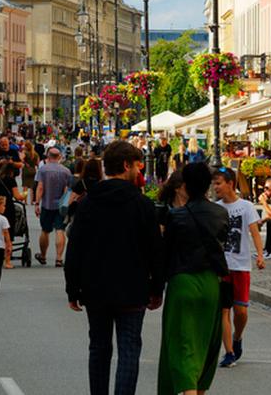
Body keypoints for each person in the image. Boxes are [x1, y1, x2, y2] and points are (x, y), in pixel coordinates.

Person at [64, 141, 162, 395]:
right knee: (129, 349)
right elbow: (155, 250)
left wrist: (72, 289)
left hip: (95, 288)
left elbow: (75, 249)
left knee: (98, 347)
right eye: (137, 165)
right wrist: (156, 287)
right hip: (132, 288)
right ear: (126, 165)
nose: (139, 171)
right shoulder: (142, 205)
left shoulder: (88, 203)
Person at [157, 162, 227, 395]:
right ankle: (198, 390)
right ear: (208, 185)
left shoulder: (175, 216)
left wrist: (155, 289)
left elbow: (165, 255)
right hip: (210, 284)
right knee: (205, 343)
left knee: (181, 344)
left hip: (182, 282)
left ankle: (188, 392)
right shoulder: (221, 213)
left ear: (185, 185)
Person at [212, 167, 265, 369]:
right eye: (214, 183)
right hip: (222, 268)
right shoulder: (216, 209)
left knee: (240, 312)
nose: (215, 187)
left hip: (241, 266)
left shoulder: (246, 206)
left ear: (230, 184)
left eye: (218, 183)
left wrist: (260, 255)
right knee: (224, 310)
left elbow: (254, 232)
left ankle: (238, 336)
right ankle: (229, 352)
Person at [34, 146, 72, 267]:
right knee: (60, 230)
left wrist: (36, 203)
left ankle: (43, 256)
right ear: (59, 157)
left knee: (45, 230)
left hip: (47, 205)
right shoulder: (66, 171)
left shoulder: (43, 170)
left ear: (48, 156)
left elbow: (40, 187)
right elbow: (67, 190)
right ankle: (59, 258)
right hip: (61, 206)